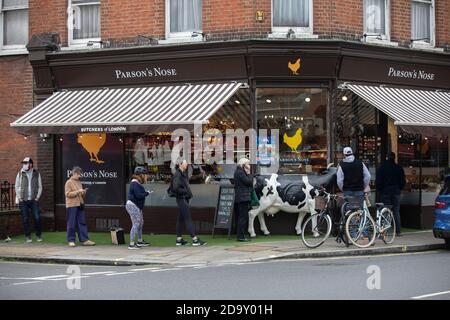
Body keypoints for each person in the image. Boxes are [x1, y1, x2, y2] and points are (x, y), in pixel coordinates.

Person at [170, 158, 206, 246]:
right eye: (185, 163)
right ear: (180, 164)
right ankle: (195, 239)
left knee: (181, 219)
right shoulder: (178, 175)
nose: (187, 164)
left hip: (183, 198)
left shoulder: (181, 174)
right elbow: (176, 188)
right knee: (188, 218)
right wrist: (185, 192)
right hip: (182, 198)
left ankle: (179, 239)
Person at [376, 152, 406, 237]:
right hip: (396, 191)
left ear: (387, 158)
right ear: (394, 158)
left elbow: (378, 181)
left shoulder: (382, 168)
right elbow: (402, 181)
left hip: (385, 191)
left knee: (385, 211)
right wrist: (399, 188)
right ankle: (398, 231)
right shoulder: (398, 168)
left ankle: (384, 231)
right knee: (396, 211)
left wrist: (380, 190)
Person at [64, 166, 95, 247]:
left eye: (80, 174)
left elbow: (80, 195)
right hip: (71, 205)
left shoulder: (79, 182)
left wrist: (83, 192)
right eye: (78, 174)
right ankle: (71, 240)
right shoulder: (68, 182)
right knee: (71, 223)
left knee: (82, 222)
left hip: (80, 204)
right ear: (74, 173)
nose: (79, 176)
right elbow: (67, 194)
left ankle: (84, 240)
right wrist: (78, 191)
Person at [15, 157, 42, 243]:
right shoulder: (20, 174)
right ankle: (28, 236)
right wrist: (19, 198)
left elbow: (40, 186)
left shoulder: (36, 173)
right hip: (23, 200)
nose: (24, 165)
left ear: (31, 164)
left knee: (37, 218)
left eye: (26, 163)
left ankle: (38, 235)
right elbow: (16, 186)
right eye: (24, 163)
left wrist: (37, 197)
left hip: (34, 200)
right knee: (25, 219)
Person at [126, 166, 152, 249]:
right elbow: (139, 195)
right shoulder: (135, 183)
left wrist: (145, 193)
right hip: (133, 206)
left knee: (140, 223)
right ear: (140, 175)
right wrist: (146, 193)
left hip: (136, 206)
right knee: (136, 223)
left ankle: (140, 241)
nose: (146, 176)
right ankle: (132, 244)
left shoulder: (136, 183)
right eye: (144, 174)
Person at [233, 158, 253, 242]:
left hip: (241, 197)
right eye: (248, 164)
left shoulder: (239, 172)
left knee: (242, 217)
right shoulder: (240, 172)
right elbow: (248, 182)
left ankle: (240, 235)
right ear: (243, 165)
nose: (249, 166)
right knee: (243, 217)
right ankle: (240, 236)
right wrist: (249, 174)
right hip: (243, 198)